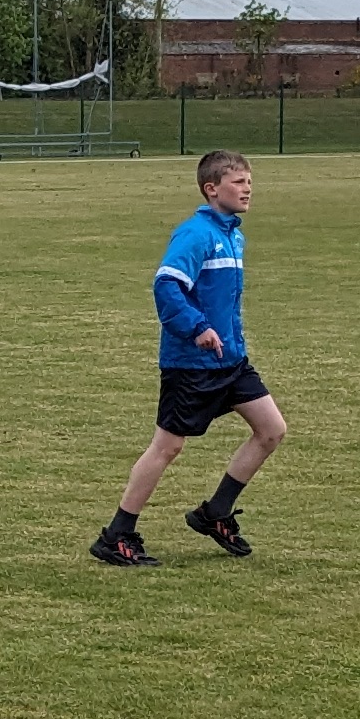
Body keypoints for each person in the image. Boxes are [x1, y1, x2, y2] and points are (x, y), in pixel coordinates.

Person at [93, 148, 285, 565]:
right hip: (191, 364)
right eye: (238, 182)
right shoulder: (195, 234)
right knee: (167, 447)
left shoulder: (233, 235)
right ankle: (117, 534)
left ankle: (215, 513)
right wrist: (198, 328)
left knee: (271, 429)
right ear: (211, 189)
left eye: (250, 182)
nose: (248, 189)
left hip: (230, 360)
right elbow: (166, 287)